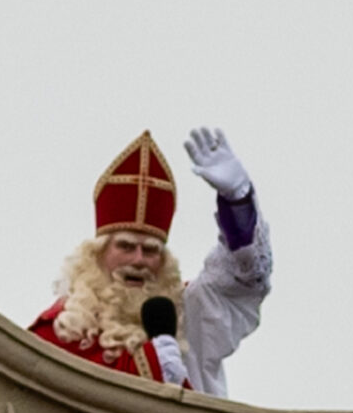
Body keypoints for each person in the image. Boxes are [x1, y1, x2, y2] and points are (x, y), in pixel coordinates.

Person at [29, 127, 271, 397]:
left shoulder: (187, 313)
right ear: (96, 254)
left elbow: (243, 280)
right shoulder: (63, 327)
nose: (139, 260)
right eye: (125, 246)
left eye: (151, 250)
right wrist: (150, 367)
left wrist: (238, 200)